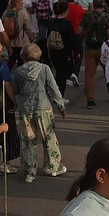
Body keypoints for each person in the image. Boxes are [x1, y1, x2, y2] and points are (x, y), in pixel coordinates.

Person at [13, 43, 67, 183]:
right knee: (49, 138)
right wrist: (60, 105)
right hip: (43, 107)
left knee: (28, 140)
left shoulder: (19, 72)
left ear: (24, 56)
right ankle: (53, 166)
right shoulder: (44, 69)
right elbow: (53, 88)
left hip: (26, 108)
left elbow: (15, 89)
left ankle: (29, 171)